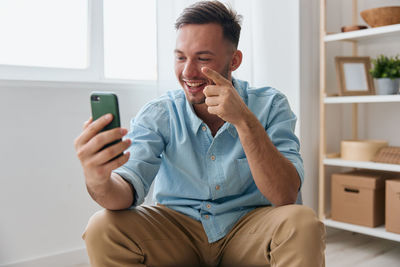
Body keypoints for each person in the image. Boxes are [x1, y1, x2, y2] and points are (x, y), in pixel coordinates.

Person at [74, 1, 326, 266]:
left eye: (203, 58)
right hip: (177, 231)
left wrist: (244, 121)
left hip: (249, 229)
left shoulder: (271, 105)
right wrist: (99, 180)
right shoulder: (160, 113)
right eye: (181, 57)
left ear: (235, 60)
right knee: (102, 226)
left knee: (303, 223)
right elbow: (125, 191)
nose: (187, 72)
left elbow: (285, 195)